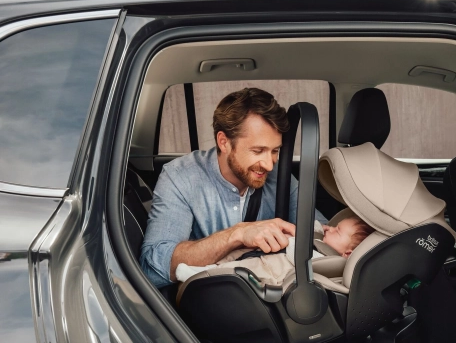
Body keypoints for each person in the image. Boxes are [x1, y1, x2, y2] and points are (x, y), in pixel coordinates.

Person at [140, 88, 326, 288]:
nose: (269, 165)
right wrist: (236, 235)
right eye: (258, 150)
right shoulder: (181, 177)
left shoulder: (279, 176)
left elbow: (321, 233)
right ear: (224, 142)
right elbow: (153, 269)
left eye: (275, 151)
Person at [174, 216, 375, 285]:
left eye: (337, 231)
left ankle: (199, 274)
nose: (329, 228)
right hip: (266, 259)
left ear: (347, 254)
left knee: (238, 268)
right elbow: (314, 230)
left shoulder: (327, 261)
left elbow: (299, 254)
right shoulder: (326, 244)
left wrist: (296, 238)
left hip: (271, 270)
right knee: (235, 255)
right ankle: (208, 267)